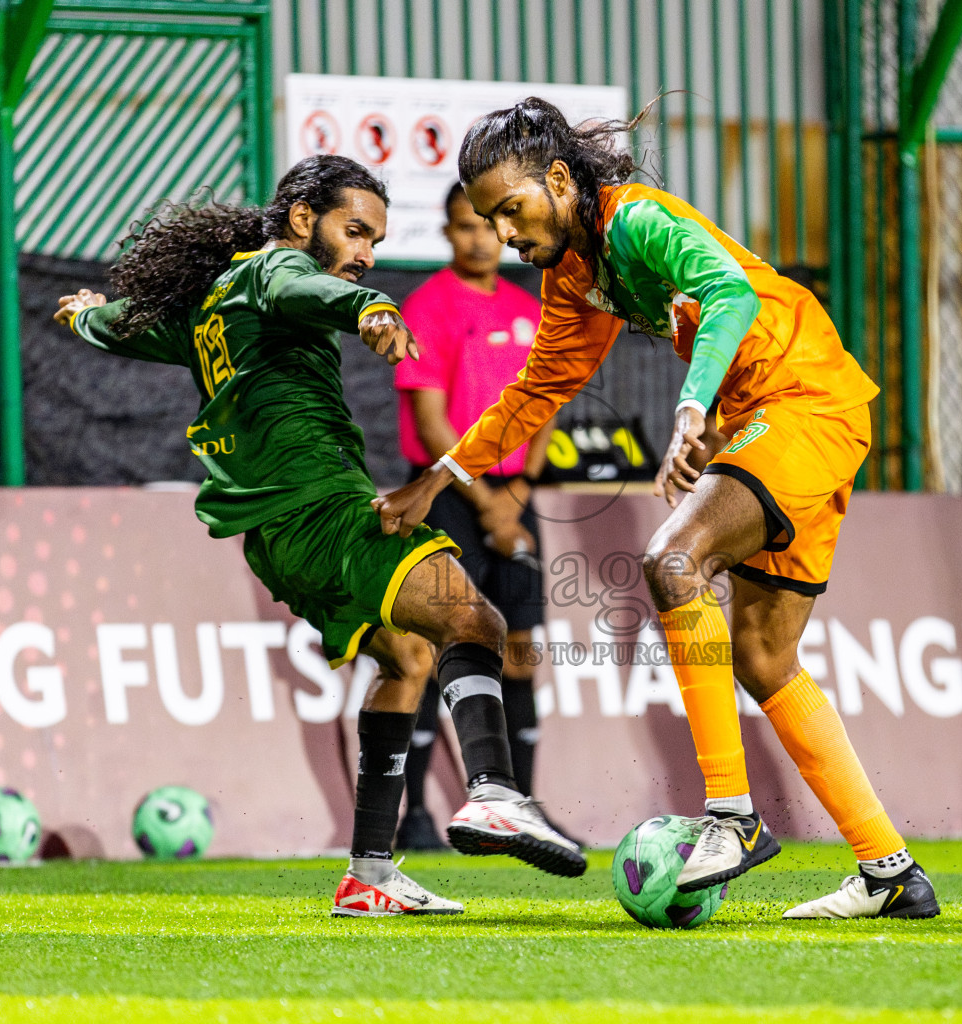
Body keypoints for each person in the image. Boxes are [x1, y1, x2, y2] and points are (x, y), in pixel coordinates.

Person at [374, 98, 939, 921]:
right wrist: (442, 474)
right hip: (782, 416)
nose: (503, 235)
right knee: (763, 657)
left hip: (802, 396)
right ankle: (890, 872)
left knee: (673, 559)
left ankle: (731, 820)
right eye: (490, 221)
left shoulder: (636, 221)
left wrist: (689, 409)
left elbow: (729, 292)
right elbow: (536, 392)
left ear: (559, 180)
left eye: (511, 210)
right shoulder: (572, 275)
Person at [51, 155, 584, 917]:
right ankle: (495, 791)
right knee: (476, 621)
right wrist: (369, 311)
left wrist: (79, 314)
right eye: (355, 232)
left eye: (375, 240)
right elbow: (304, 285)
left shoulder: (210, 306)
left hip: (275, 539)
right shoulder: (272, 273)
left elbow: (119, 328)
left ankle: (370, 872)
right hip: (322, 512)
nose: (366, 253)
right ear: (303, 219)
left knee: (406, 656)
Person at [393, 182, 559, 850]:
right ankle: (414, 818)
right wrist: (489, 503)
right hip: (448, 497)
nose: (479, 239)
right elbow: (433, 422)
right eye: (464, 227)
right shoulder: (426, 307)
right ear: (446, 232)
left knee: (520, 653)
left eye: (488, 226)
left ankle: (523, 811)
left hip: (515, 497)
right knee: (435, 650)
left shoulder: (530, 310)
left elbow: (543, 409)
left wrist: (514, 497)